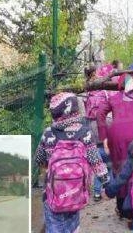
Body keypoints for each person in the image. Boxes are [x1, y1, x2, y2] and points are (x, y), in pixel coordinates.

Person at [35, 92, 109, 233]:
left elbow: (38, 160)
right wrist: (107, 183)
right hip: (76, 192)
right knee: (72, 227)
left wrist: (49, 165)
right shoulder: (84, 132)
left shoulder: (48, 133)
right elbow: (96, 162)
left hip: (52, 193)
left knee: (54, 226)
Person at [96, 74, 133, 220]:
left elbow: (99, 113)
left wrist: (104, 136)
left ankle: (122, 209)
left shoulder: (114, 98)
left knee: (119, 170)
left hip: (116, 138)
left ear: (120, 86)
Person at [83, 66, 113, 202]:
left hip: (90, 123)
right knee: (108, 157)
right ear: (95, 72)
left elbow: (84, 107)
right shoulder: (103, 86)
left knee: (96, 157)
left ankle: (96, 192)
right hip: (103, 122)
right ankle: (109, 188)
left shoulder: (85, 89)